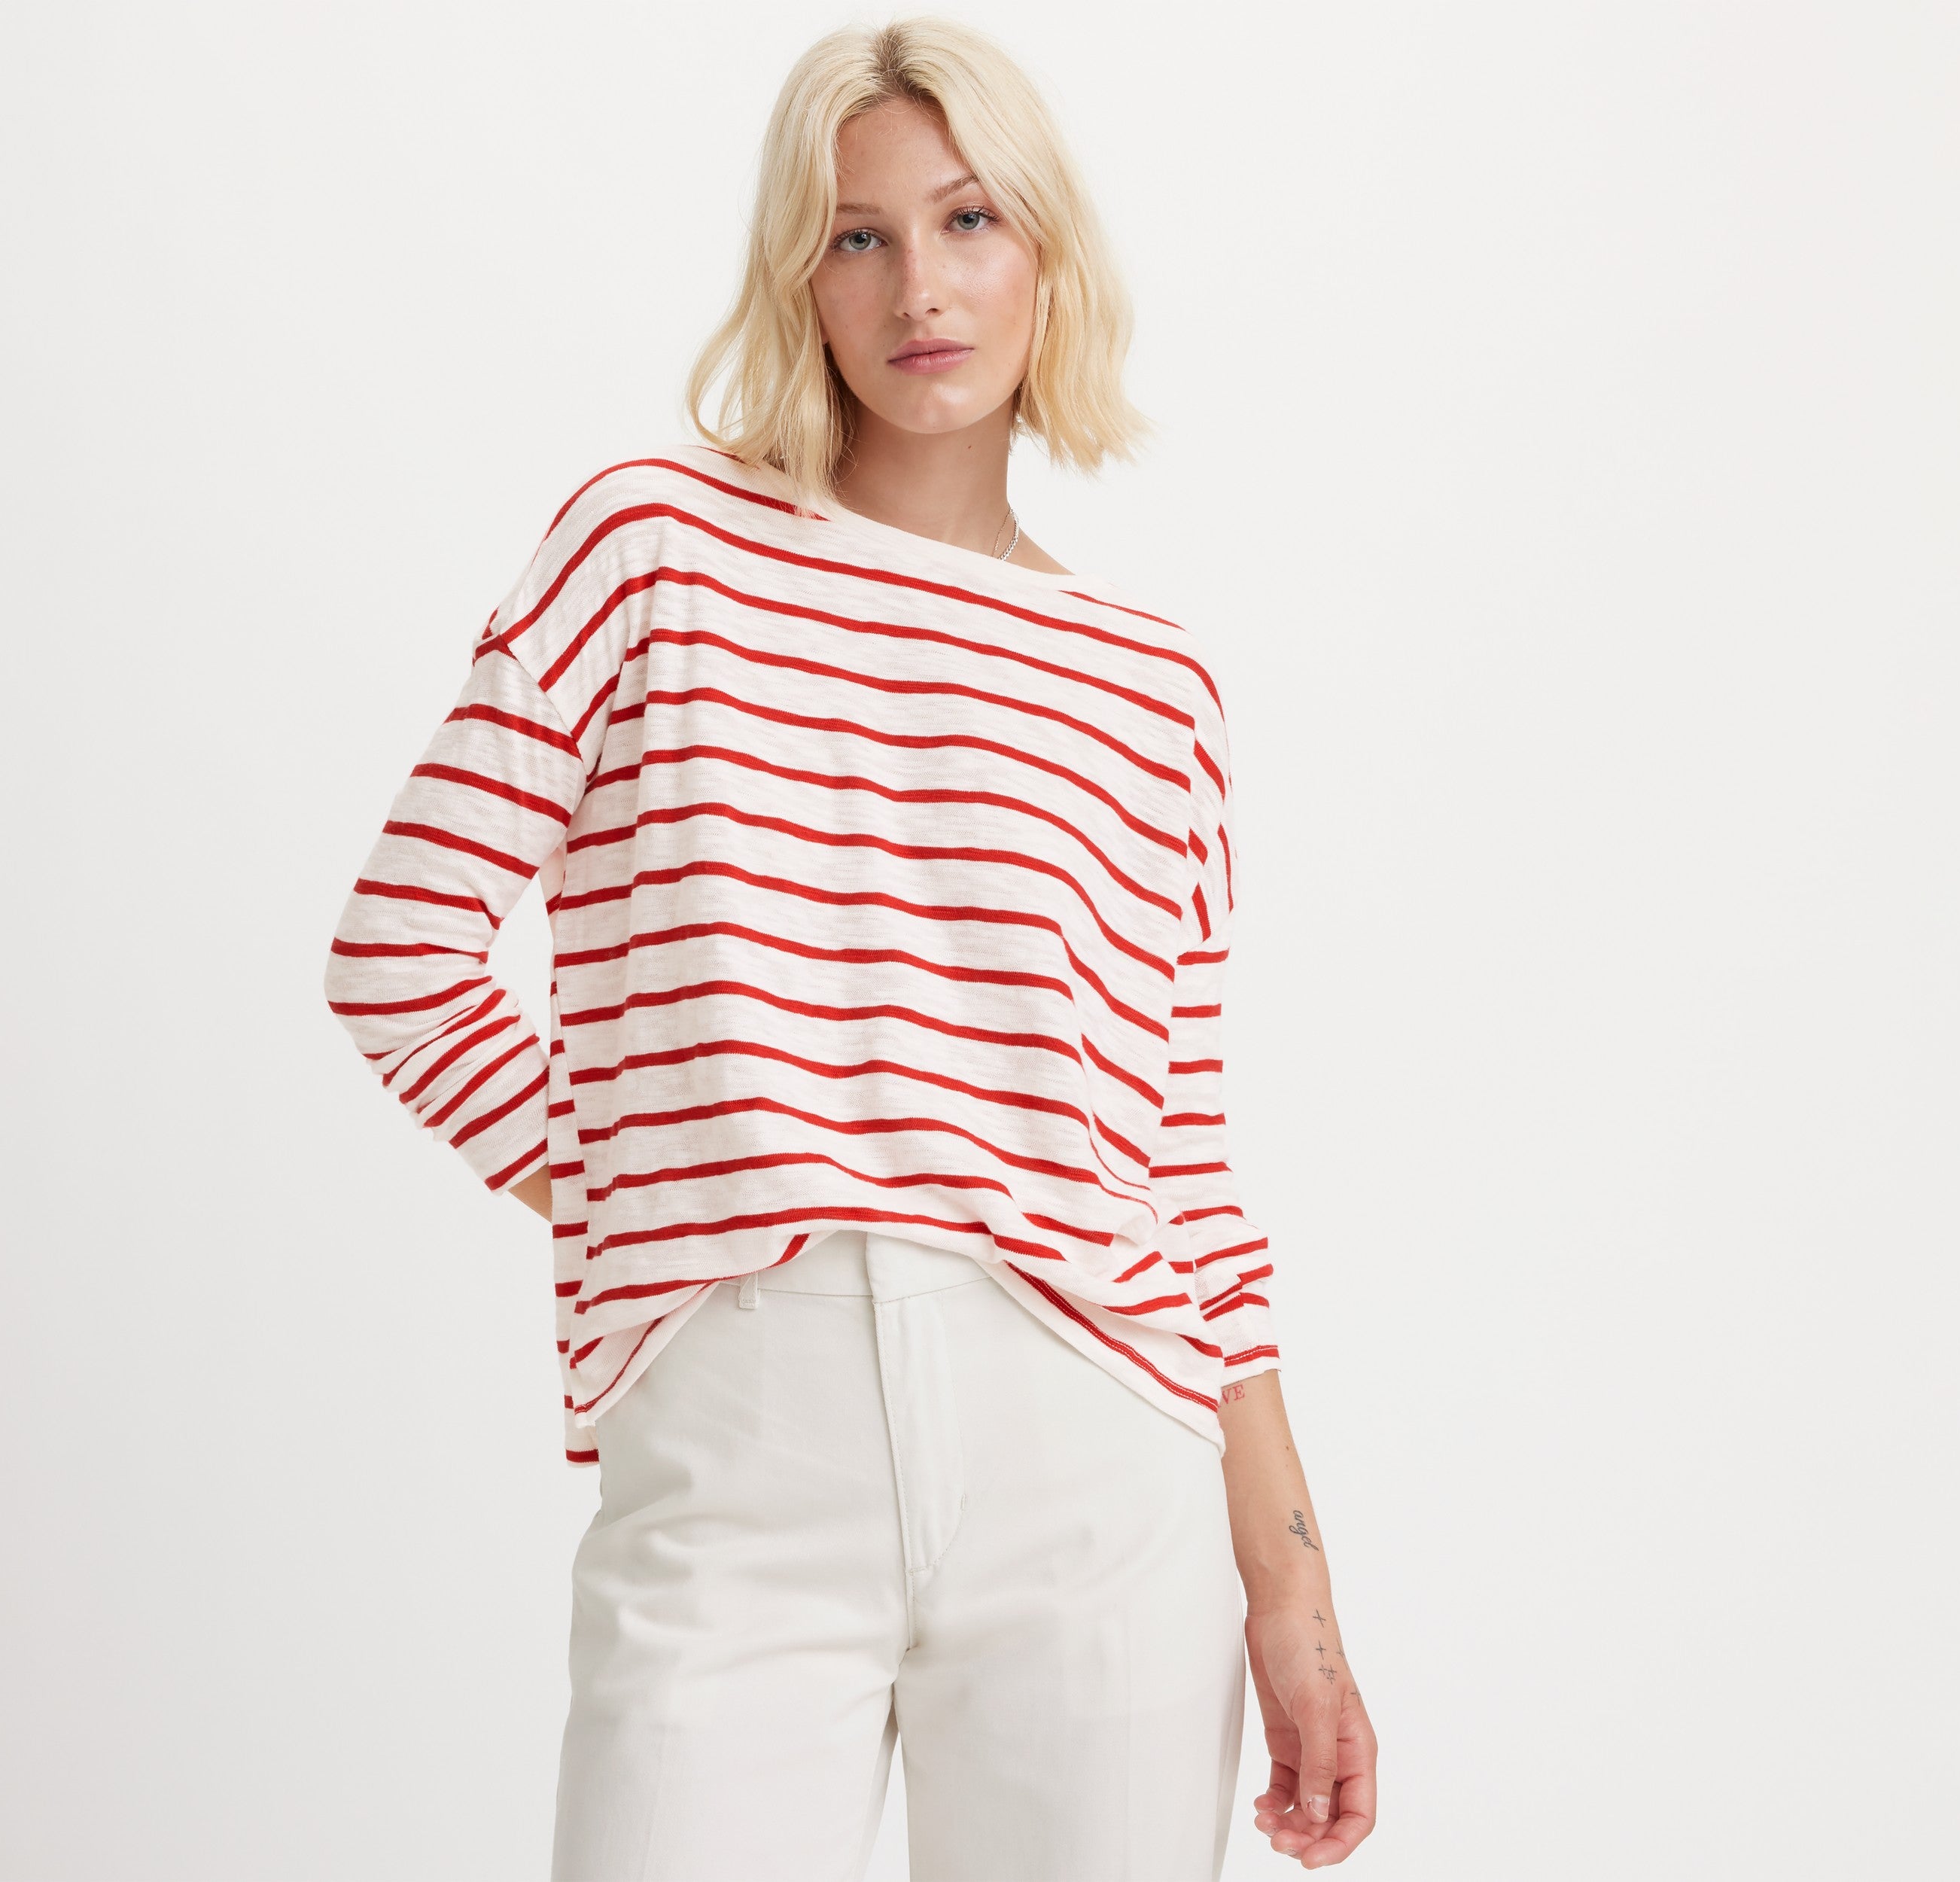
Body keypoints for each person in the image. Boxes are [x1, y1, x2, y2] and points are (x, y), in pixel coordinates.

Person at [324, 18, 1375, 1876]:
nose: (918, 289)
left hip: (1095, 1453)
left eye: (968, 221)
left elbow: (1181, 1165)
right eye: (856, 236)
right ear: (796, 277)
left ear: (1046, 249)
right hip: (742, 1438)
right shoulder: (650, 548)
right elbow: (398, 956)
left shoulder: (1151, 689)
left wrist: (1288, 1581)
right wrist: (653, 1181)